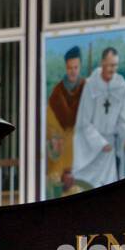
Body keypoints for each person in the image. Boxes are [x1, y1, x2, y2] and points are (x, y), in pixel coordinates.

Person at [73, 47, 125, 189]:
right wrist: (101, 143)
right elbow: (84, 122)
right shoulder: (90, 85)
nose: (112, 69)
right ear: (102, 62)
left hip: (111, 148)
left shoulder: (121, 86)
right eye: (109, 65)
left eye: (115, 65)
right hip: (91, 148)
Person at [46, 46, 85, 196]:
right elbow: (50, 122)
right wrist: (54, 136)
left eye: (76, 67)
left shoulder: (87, 89)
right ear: (66, 67)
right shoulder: (57, 92)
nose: (73, 71)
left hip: (82, 151)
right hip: (63, 153)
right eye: (70, 68)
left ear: (79, 66)